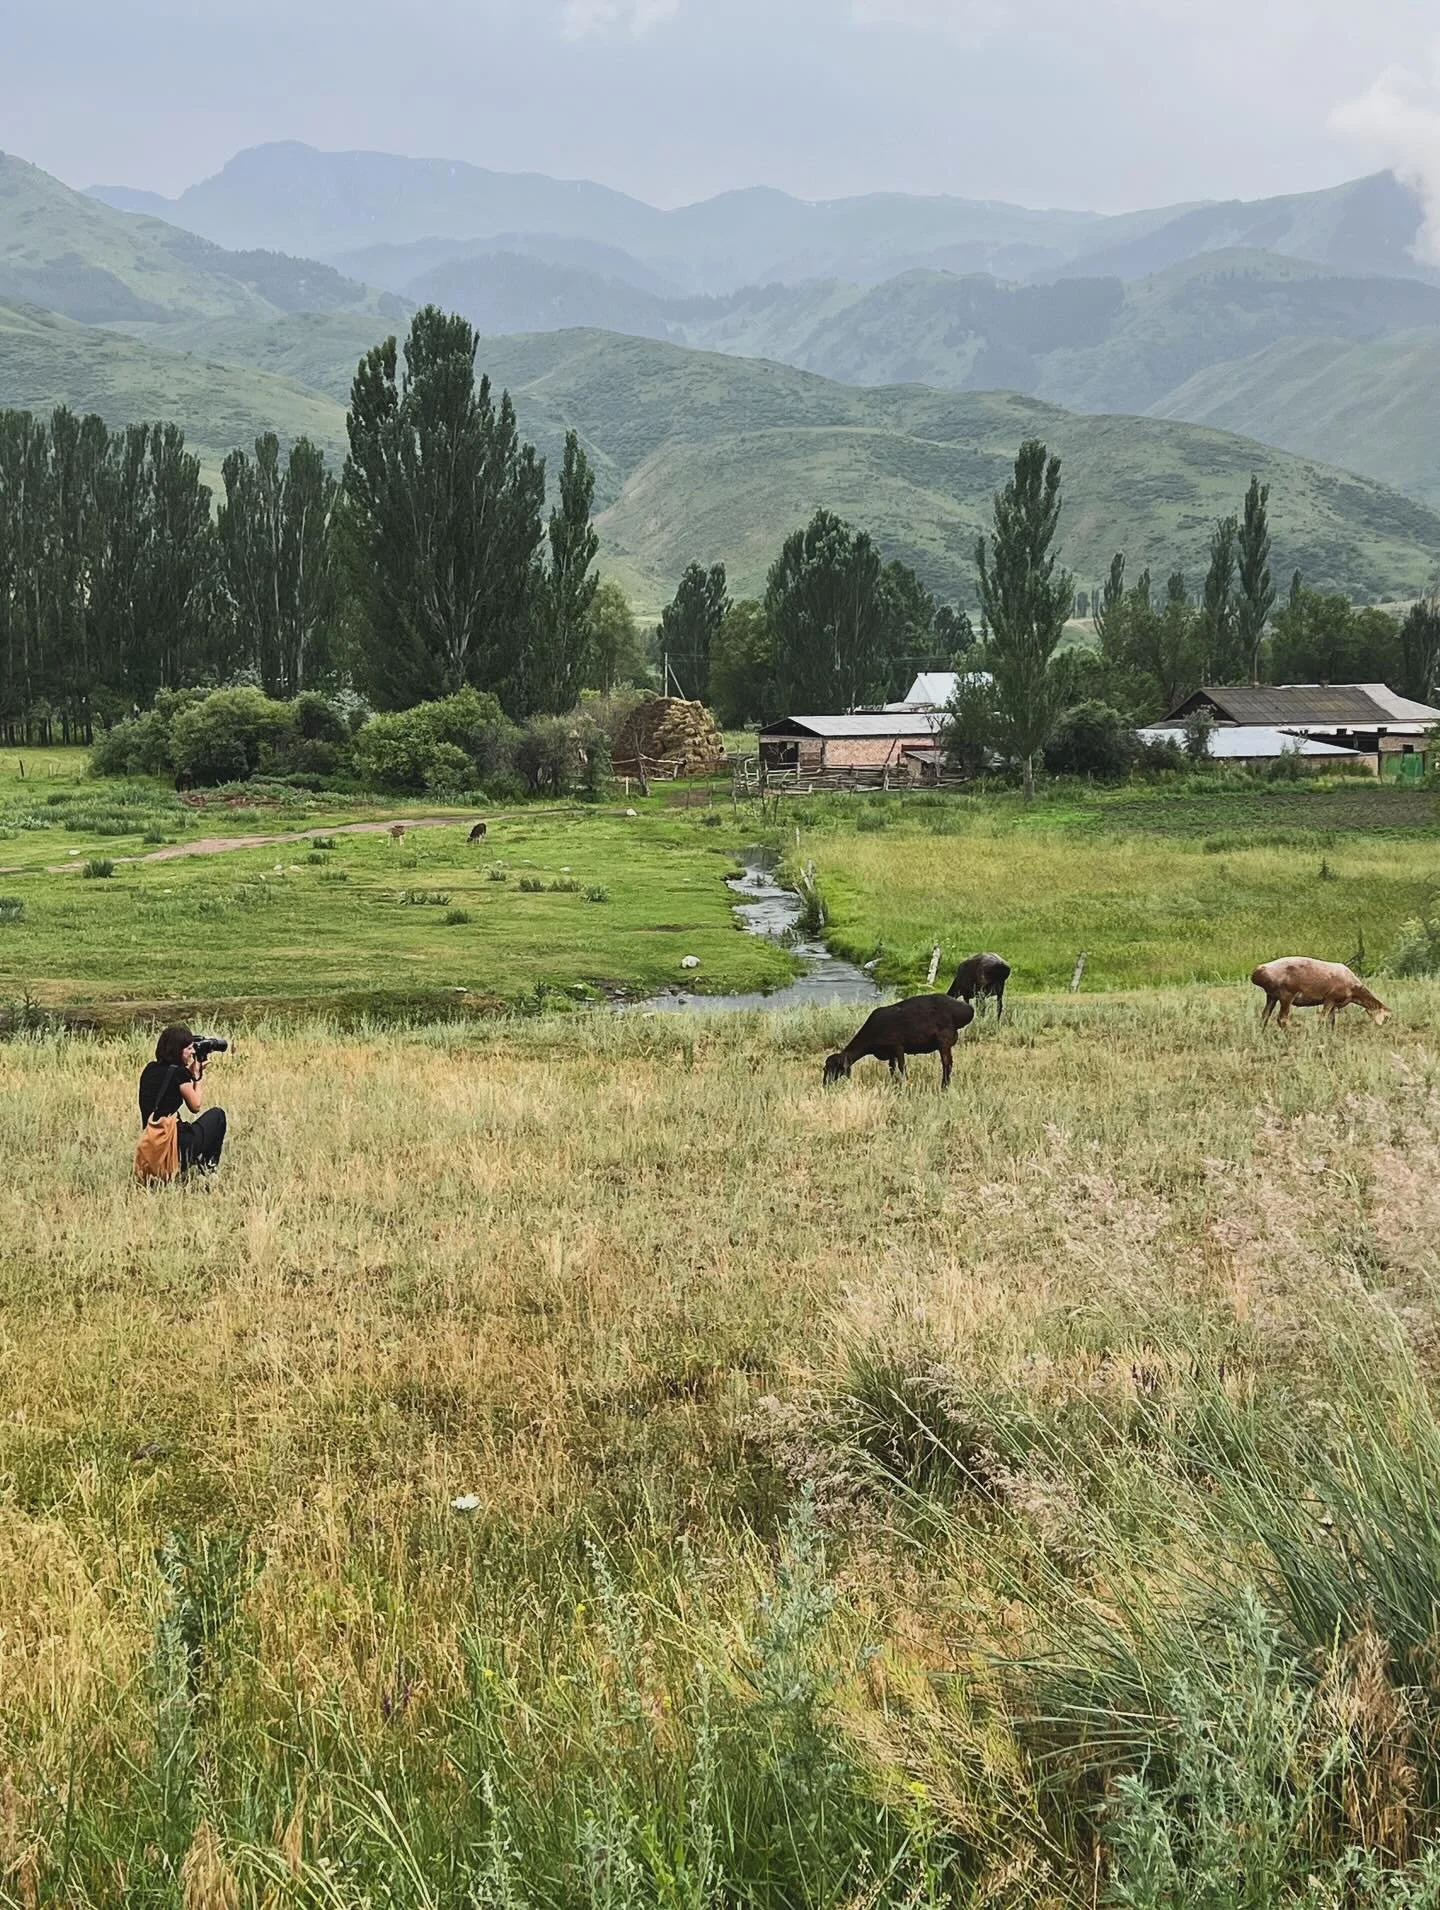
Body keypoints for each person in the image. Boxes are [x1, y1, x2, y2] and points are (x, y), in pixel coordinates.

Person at [138, 1025, 227, 1175]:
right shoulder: (179, 1074)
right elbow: (195, 1105)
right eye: (189, 1049)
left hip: (152, 1142)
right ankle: (208, 1168)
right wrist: (197, 1077)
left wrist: (188, 1073)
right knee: (218, 1116)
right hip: (176, 1145)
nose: (193, 1053)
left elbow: (167, 1092)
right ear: (177, 1050)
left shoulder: (150, 1069)